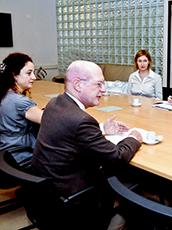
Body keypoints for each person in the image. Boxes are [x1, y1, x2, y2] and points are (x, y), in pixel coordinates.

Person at [32, 60, 142, 230]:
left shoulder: (55, 103)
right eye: (99, 84)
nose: (104, 90)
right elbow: (117, 157)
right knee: (134, 182)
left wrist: (102, 129)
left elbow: (71, 131)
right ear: (78, 85)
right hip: (72, 197)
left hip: (47, 192)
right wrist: (134, 137)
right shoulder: (81, 120)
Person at [0, 52, 43, 151]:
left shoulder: (4, 93)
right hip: (21, 153)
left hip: (5, 151)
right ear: (15, 75)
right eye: (29, 73)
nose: (34, 77)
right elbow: (51, 121)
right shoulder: (19, 101)